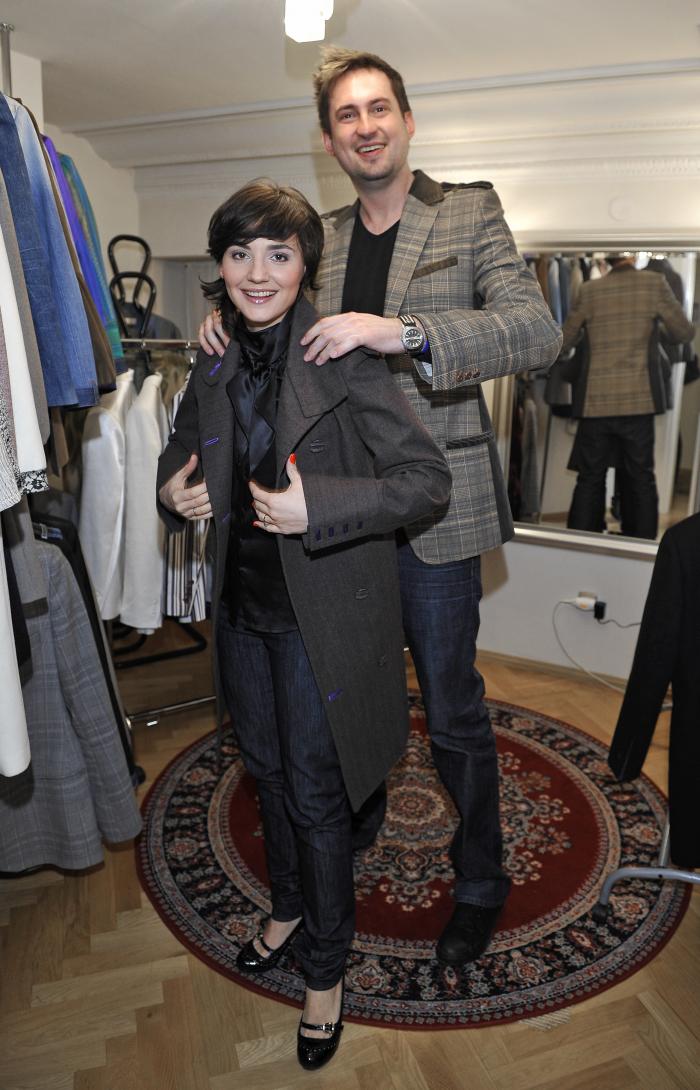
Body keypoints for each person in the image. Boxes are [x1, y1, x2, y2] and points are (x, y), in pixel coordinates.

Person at [199, 47, 562, 967]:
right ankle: (348, 819)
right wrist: (220, 319)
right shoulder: (314, 232)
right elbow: (266, 309)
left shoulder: (468, 210)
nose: (365, 127)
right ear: (328, 140)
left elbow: (536, 330)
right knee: (345, 691)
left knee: (451, 710)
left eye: (378, 109)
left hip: (435, 510)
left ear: (406, 119)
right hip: (329, 521)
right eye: (346, 116)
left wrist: (400, 330)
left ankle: (480, 880)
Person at [157, 179, 450, 1070]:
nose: (257, 272)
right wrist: (172, 490)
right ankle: (287, 908)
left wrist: (315, 504)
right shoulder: (212, 356)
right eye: (240, 253)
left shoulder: (342, 356)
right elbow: (182, 447)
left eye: (278, 254)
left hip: (322, 617)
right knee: (270, 772)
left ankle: (326, 973)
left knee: (319, 796)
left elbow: (425, 482)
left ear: (304, 266)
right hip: (242, 612)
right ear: (220, 266)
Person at [560, 254, 695, 539]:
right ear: (632, 257)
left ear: (607, 260)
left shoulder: (590, 290)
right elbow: (684, 332)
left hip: (595, 402)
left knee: (590, 477)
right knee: (640, 477)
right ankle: (640, 547)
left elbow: (564, 341)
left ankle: (580, 547)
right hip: (639, 401)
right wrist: (654, 330)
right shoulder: (654, 283)